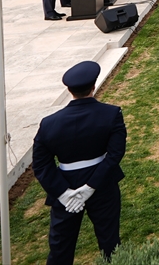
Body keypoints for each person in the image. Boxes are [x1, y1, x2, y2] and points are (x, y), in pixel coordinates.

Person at [31, 61, 125, 265]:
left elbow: (41, 164)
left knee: (60, 247)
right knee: (110, 242)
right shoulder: (111, 114)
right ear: (93, 86)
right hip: (102, 185)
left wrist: (64, 193)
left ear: (69, 90)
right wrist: (91, 187)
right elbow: (115, 154)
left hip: (66, 185)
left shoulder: (49, 123)